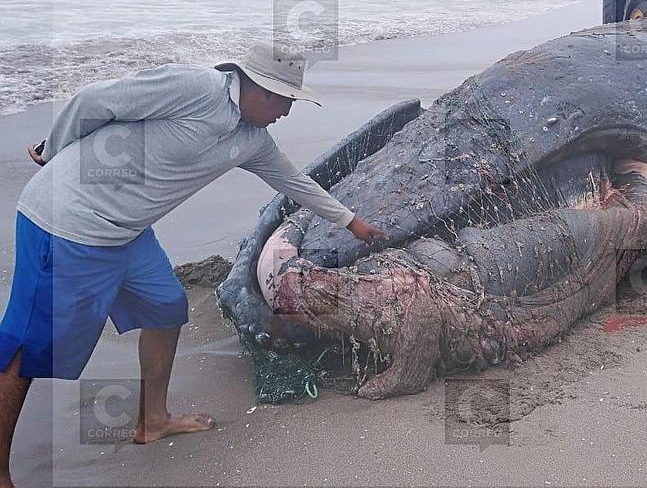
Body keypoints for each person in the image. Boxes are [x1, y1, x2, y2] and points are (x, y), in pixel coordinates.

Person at [0, 43, 387, 487]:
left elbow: (293, 180)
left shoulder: (252, 140)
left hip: (126, 231)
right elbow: (95, 100)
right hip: (67, 222)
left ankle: (153, 419)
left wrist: (351, 222)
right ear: (260, 88)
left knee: (166, 307)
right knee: (26, 347)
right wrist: (53, 153)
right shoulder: (196, 87)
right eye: (285, 100)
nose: (287, 111)